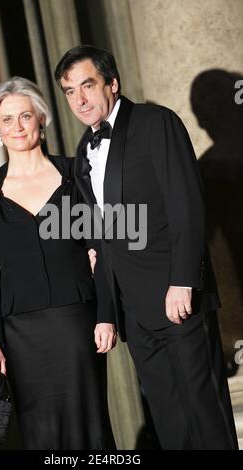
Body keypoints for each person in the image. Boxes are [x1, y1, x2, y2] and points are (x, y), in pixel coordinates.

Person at [54, 45, 239, 450]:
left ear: (112, 84)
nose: (79, 100)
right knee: (170, 422)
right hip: (133, 311)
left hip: (179, 298)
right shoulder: (85, 150)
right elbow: (100, 239)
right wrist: (106, 313)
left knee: (205, 413)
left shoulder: (157, 123)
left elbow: (186, 204)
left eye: (87, 85)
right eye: (69, 91)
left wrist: (183, 280)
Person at [0, 76, 116, 450]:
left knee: (90, 423)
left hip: (75, 321)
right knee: (41, 432)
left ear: (41, 120)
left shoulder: (74, 173)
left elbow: (100, 247)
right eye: (7, 120)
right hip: (19, 333)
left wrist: (106, 314)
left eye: (24, 116)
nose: (17, 127)